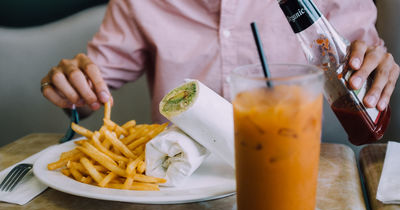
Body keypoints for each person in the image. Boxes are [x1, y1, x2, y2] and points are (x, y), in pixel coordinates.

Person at [41, 0, 399, 123]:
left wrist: (374, 77)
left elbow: (366, 84)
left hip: (291, 172)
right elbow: (89, 92)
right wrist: (72, 84)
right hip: (175, 188)